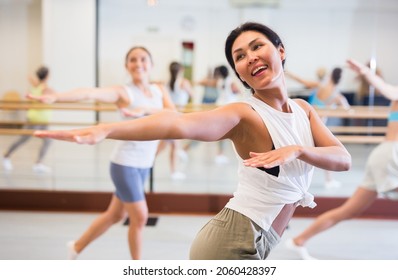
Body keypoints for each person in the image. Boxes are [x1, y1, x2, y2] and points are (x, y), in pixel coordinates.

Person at [34, 22, 351, 260]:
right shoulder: (244, 113)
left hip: (264, 240)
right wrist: (107, 129)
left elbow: (343, 159)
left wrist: (298, 150)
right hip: (231, 242)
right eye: (239, 56)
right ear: (239, 74)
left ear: (280, 51)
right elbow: (177, 123)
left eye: (257, 47)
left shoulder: (304, 109)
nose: (250, 57)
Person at [29, 46, 175, 260]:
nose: (138, 64)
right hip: (125, 165)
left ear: (151, 65)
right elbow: (89, 92)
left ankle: (76, 247)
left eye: (143, 59)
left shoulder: (159, 90)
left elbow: (173, 114)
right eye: (133, 60)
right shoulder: (123, 92)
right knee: (140, 217)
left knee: (115, 215)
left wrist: (145, 111)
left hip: (144, 165)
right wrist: (57, 97)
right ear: (127, 66)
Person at [285, 58, 398, 260]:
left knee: (348, 211)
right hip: (391, 156)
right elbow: (388, 90)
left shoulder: (325, 89)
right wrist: (366, 72)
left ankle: (299, 240)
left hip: (383, 156)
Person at [287, 67, 351, 189]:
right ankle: (329, 180)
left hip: (305, 121)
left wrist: (288, 72)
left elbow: (302, 81)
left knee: (308, 150)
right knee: (327, 151)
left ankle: (326, 179)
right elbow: (348, 110)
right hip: (319, 126)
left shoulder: (320, 86)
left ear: (331, 75)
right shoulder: (337, 97)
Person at [2, 66, 53, 173]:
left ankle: (39, 163)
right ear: (47, 76)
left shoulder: (35, 86)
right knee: (23, 139)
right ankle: (6, 156)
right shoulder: (44, 88)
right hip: (35, 119)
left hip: (43, 120)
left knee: (48, 141)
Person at [157, 61, 194, 180]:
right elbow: (192, 95)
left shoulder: (166, 83)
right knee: (171, 145)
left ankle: (172, 170)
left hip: (168, 116)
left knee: (170, 145)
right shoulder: (184, 83)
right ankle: (173, 171)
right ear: (181, 70)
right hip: (176, 118)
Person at [214, 65, 242, 164]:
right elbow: (238, 91)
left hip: (219, 106)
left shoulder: (220, 81)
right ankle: (220, 154)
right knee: (224, 133)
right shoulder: (230, 81)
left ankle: (220, 154)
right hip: (228, 109)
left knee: (220, 132)